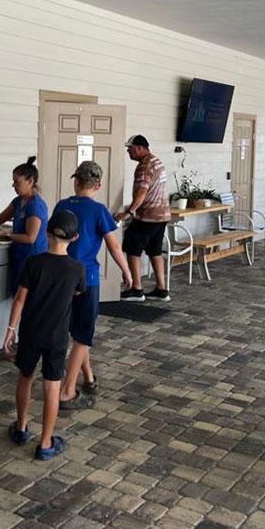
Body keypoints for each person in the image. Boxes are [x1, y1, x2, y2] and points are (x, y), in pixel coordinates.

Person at [3, 210, 85, 461]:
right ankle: (46, 442)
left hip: (30, 332)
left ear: (47, 232)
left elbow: (19, 299)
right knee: (52, 387)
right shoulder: (76, 269)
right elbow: (78, 294)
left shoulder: (34, 263)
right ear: (75, 238)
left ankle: (20, 428)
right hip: (57, 336)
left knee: (25, 377)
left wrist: (10, 329)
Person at [53, 161, 132, 409]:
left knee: (76, 331)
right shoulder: (99, 211)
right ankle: (67, 390)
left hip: (61, 276)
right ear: (97, 186)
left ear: (75, 181)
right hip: (88, 277)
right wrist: (126, 270)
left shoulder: (61, 206)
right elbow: (114, 246)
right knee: (84, 335)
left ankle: (88, 378)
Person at [115, 135, 172, 302]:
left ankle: (136, 289)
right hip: (162, 215)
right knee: (155, 250)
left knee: (132, 247)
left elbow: (142, 192)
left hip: (148, 216)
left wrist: (129, 212)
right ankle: (162, 290)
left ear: (140, 148)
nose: (128, 151)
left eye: (130, 148)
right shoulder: (157, 161)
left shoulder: (144, 166)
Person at [0, 157, 49, 296]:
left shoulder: (36, 205)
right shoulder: (18, 201)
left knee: (29, 301)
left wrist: (5, 235)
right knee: (19, 298)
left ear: (30, 181)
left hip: (33, 259)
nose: (13, 185)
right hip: (20, 257)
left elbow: (30, 238)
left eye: (17, 182)